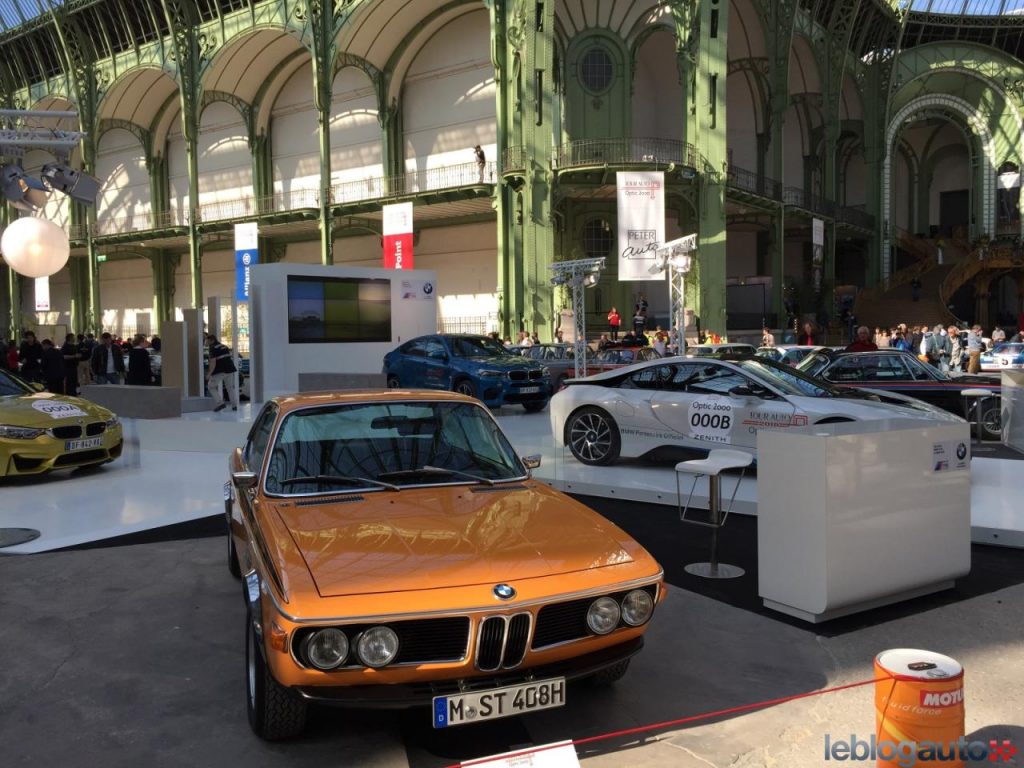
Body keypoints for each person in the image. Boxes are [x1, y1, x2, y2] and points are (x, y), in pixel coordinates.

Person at [205, 334, 239, 412]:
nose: (206, 341)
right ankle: (234, 406)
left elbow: (213, 362)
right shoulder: (224, 346)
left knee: (211, 386)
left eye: (207, 340)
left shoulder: (212, 348)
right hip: (230, 369)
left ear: (211, 340)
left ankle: (220, 403)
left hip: (220, 371)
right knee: (230, 388)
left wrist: (209, 373)